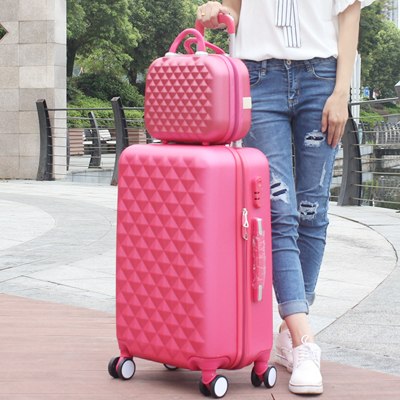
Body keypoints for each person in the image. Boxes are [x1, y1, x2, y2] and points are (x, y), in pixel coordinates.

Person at [197, 0, 374, 395]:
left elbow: (350, 15)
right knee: (277, 212)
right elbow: (236, 11)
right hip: (257, 79)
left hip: (321, 77)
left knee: (312, 212)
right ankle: (304, 342)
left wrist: (341, 93)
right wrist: (217, 12)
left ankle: (288, 332)